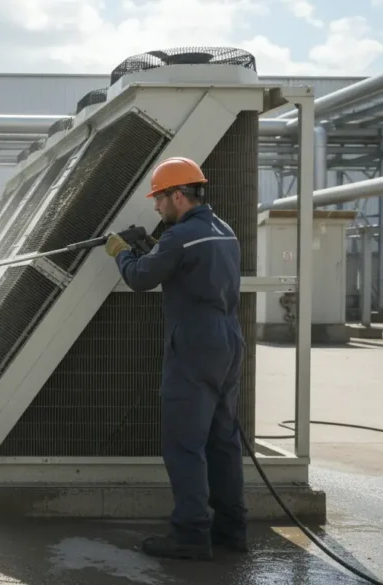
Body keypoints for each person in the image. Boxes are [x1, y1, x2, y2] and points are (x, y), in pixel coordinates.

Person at [104, 156, 248, 561]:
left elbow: (140, 278)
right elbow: (187, 268)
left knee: (184, 445)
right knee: (223, 442)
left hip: (195, 348)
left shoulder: (180, 238)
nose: (155, 207)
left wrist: (120, 252)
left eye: (159, 198)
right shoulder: (224, 231)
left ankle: (189, 535)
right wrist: (152, 248)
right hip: (228, 343)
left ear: (178, 195)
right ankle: (232, 530)